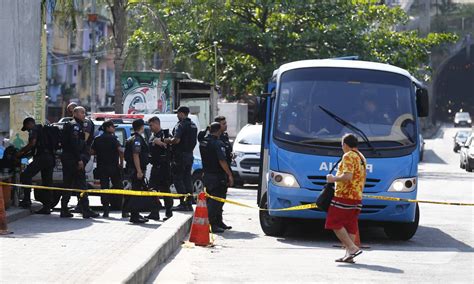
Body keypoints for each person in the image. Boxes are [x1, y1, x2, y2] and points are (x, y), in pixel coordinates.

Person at [325, 133, 366, 263]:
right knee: (350, 225)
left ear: (345, 145)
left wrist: (333, 179)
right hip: (357, 196)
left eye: (342, 145)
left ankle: (352, 248)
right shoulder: (361, 157)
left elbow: (347, 176)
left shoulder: (348, 155)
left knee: (333, 222)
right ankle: (349, 255)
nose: (342, 147)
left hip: (344, 195)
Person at [60, 106, 99, 218]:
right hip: (73, 159)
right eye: (82, 113)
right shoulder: (75, 126)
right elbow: (74, 144)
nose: (84, 115)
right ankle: (86, 210)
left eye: (84, 113)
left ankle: (64, 209)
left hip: (69, 158)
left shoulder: (71, 124)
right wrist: (79, 159)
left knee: (67, 184)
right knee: (81, 184)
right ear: (75, 113)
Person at [200, 122, 234, 233]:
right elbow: (222, 161)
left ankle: (218, 221)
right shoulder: (217, 143)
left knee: (211, 200)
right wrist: (229, 174)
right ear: (219, 130)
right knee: (216, 201)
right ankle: (211, 224)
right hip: (217, 176)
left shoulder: (203, 141)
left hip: (207, 174)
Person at [16, 117, 55, 214]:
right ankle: (47, 207)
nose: (28, 130)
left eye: (27, 128)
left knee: (25, 175)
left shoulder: (34, 129)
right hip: (50, 158)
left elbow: (32, 144)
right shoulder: (44, 130)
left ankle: (27, 200)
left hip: (42, 158)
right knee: (47, 182)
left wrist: (20, 152)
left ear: (29, 124)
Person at [164, 106, 197, 212]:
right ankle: (189, 202)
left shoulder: (181, 125)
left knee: (178, 179)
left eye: (178, 113)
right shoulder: (193, 125)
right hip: (189, 155)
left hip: (180, 156)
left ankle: (183, 202)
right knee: (187, 179)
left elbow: (176, 140)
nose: (177, 115)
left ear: (182, 113)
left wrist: (167, 140)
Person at [90, 120, 124, 218]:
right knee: (119, 187)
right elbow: (121, 151)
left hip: (102, 168)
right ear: (108, 128)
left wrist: (101, 152)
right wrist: (121, 163)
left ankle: (106, 210)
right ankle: (122, 209)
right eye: (113, 127)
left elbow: (91, 151)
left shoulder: (97, 139)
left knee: (104, 188)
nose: (114, 129)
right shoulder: (114, 139)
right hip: (114, 167)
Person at [125, 118, 150, 224]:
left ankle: (136, 214)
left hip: (133, 169)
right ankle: (134, 216)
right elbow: (136, 155)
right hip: (136, 170)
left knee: (136, 192)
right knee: (136, 192)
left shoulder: (133, 138)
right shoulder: (137, 139)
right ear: (142, 127)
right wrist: (139, 171)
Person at [148, 116, 173, 221]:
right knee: (152, 190)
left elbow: (171, 148)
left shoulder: (165, 135)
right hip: (155, 166)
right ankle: (154, 212)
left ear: (157, 124)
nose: (150, 127)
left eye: (151, 125)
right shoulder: (152, 136)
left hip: (164, 167)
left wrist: (162, 143)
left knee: (165, 190)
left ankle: (168, 212)